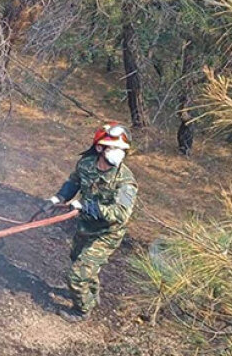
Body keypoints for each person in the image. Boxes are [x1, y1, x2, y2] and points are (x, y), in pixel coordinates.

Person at [42, 122, 138, 322]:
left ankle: (81, 311)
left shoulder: (125, 181)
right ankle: (92, 295)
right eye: (115, 148)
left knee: (77, 275)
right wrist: (58, 198)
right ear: (100, 148)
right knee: (78, 259)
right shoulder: (86, 163)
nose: (119, 154)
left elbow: (121, 214)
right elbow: (74, 182)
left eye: (122, 150)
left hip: (107, 234)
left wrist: (87, 207)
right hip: (85, 227)